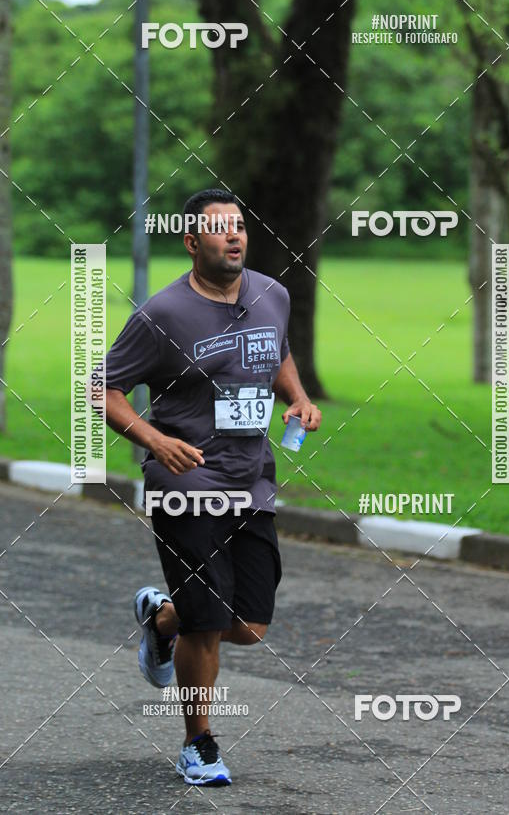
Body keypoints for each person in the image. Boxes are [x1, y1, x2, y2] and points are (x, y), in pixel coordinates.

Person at [102, 188, 321, 787]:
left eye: (241, 228)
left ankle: (162, 620)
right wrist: (155, 441)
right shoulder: (163, 315)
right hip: (186, 481)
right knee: (208, 620)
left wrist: (298, 397)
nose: (235, 237)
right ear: (192, 242)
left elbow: (275, 350)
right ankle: (199, 744)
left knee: (248, 626)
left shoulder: (272, 294)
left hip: (251, 480)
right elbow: (103, 388)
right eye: (220, 229)